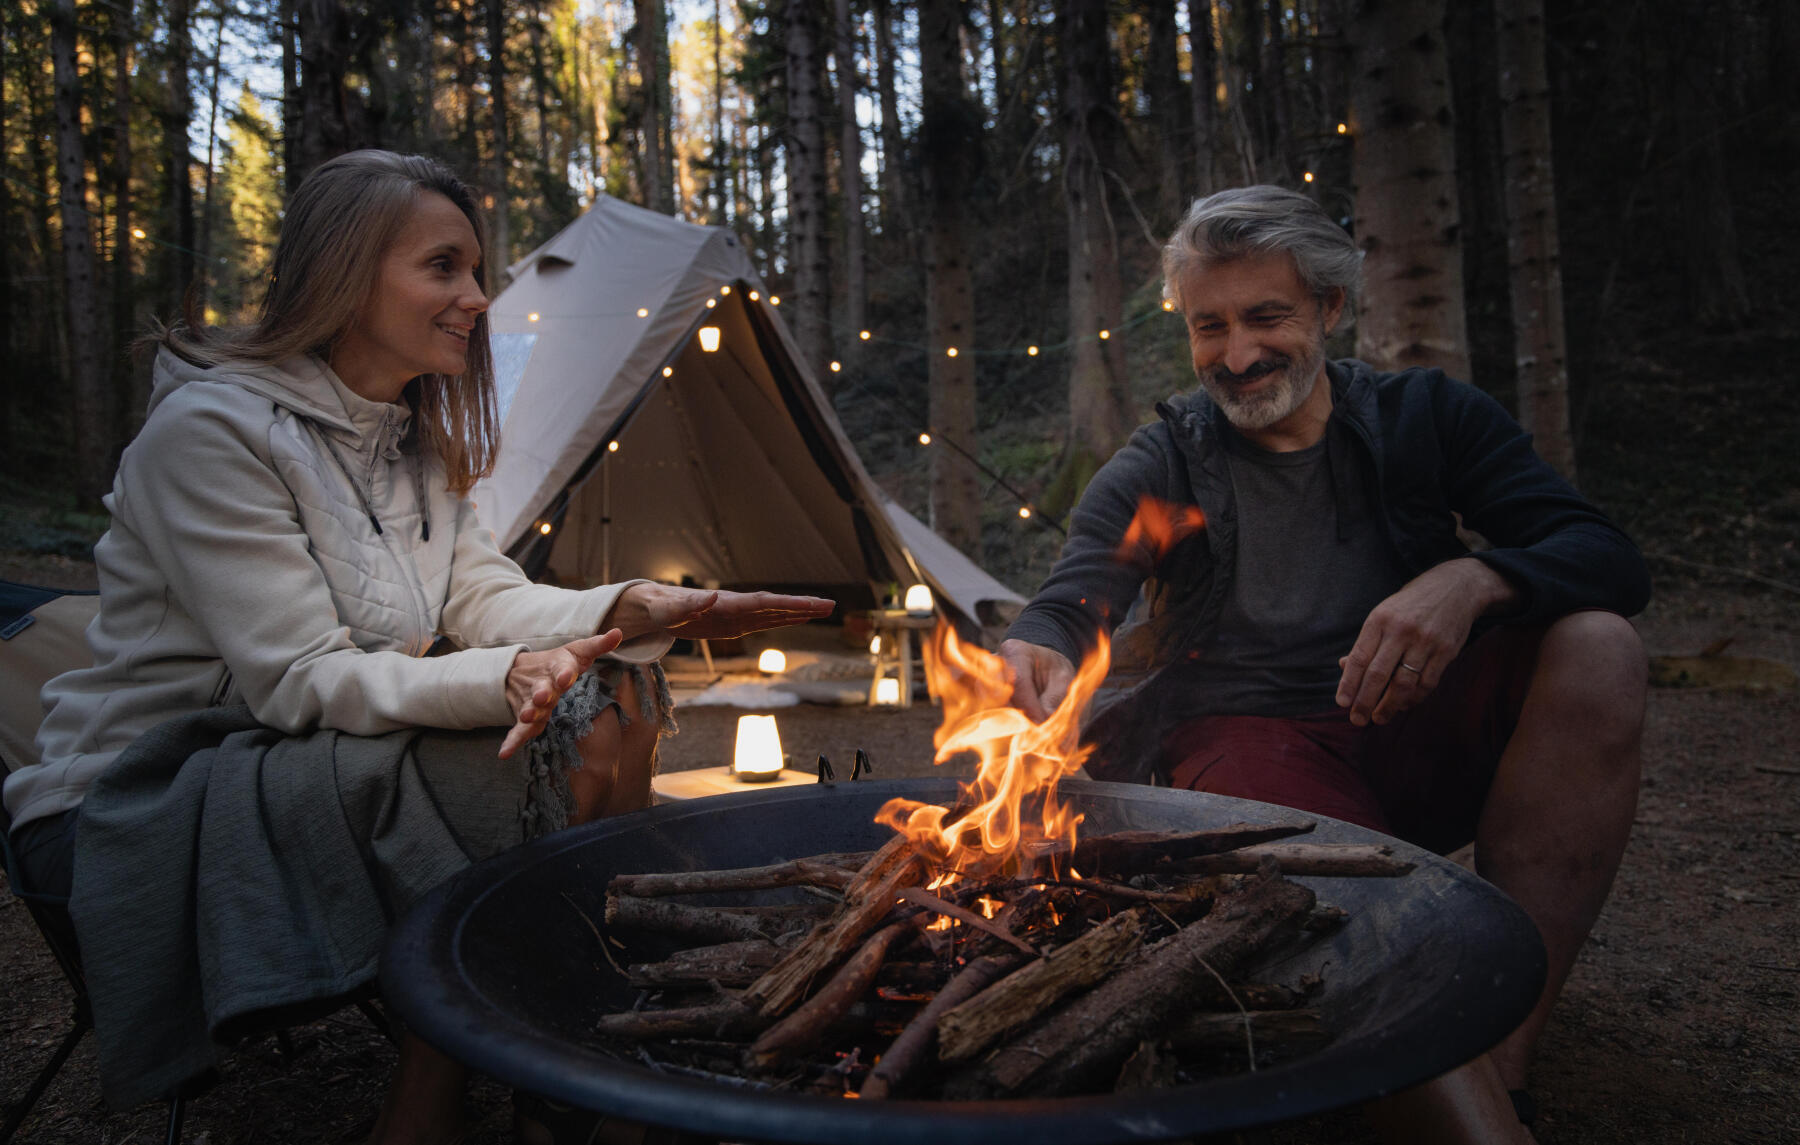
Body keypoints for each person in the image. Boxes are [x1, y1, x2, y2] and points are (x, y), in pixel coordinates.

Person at [0, 149, 833, 1144]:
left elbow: (482, 595)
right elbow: (299, 676)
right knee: (557, 741)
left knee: (611, 695)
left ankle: (561, 1042)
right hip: (158, 780)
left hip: (291, 745)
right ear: (343, 273)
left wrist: (643, 605)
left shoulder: (410, 439)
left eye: (476, 270)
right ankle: (459, 1086)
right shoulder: (210, 434)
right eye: (443, 267)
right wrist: (509, 680)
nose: (477, 298)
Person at [999, 185, 1649, 1144]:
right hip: (1248, 744)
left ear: (1330, 310)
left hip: (1414, 724)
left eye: (1267, 316)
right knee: (1354, 895)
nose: (1237, 354)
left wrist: (1473, 580)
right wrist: (1041, 641)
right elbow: (1078, 590)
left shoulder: (1427, 417)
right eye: (1208, 326)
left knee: (1600, 644)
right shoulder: (1167, 456)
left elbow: (1607, 557)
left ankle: (1507, 1052)